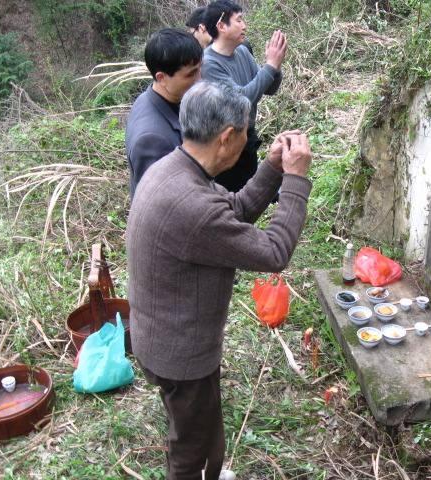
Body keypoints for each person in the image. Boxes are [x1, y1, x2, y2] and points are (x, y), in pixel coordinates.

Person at [126, 80, 312, 480]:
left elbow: (234, 210)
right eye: (246, 131)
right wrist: (296, 181)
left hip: (162, 336)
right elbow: (274, 252)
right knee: (189, 448)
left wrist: (274, 167)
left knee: (203, 423)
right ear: (228, 138)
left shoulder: (174, 168)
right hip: (180, 354)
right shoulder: (192, 204)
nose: (249, 139)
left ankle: (210, 470)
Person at [201, 0, 287, 192]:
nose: (244, 25)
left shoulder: (241, 52)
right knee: (231, 199)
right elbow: (242, 102)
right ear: (221, 26)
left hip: (246, 137)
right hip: (224, 145)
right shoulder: (209, 64)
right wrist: (270, 66)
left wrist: (275, 66)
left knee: (250, 194)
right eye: (238, 20)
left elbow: (268, 89)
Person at [125, 28, 202, 198]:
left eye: (199, 69)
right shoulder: (151, 140)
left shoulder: (160, 98)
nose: (199, 79)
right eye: (191, 74)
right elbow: (163, 204)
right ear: (161, 78)